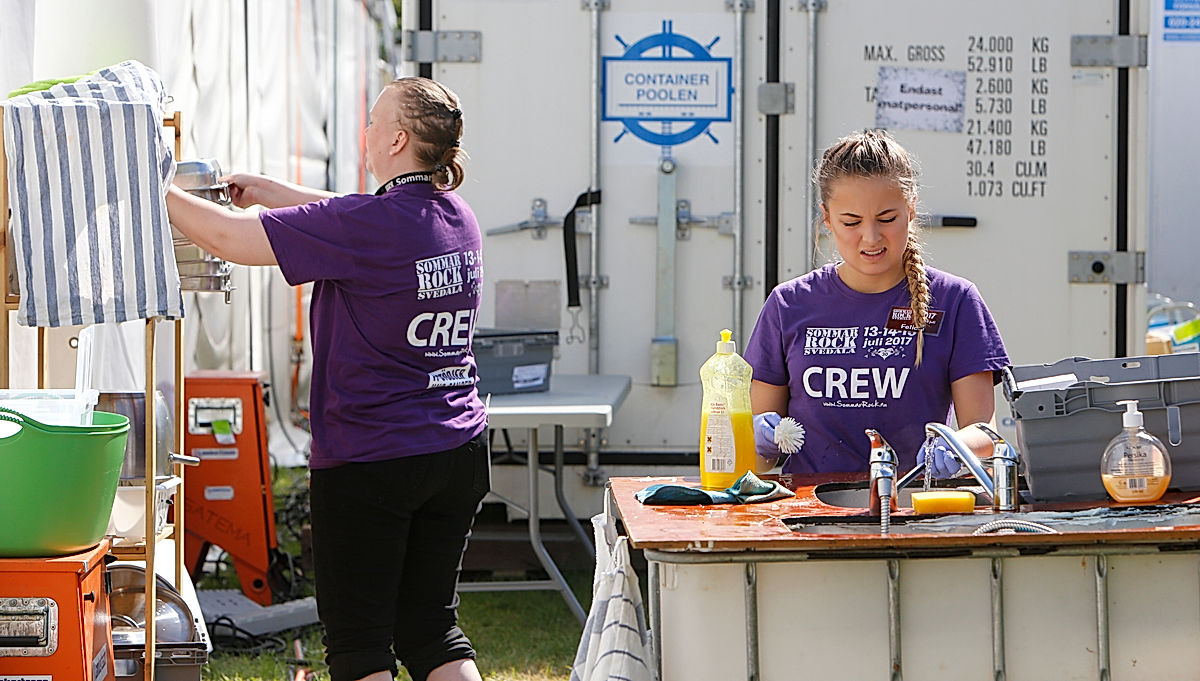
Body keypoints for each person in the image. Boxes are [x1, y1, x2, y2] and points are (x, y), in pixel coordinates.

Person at [166, 77, 488, 681]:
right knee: (431, 630)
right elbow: (356, 214)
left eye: (372, 119)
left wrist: (152, 188)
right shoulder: (454, 217)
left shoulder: (367, 229)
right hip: (457, 450)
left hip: (374, 462)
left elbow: (232, 239)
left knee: (361, 646)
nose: (363, 129)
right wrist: (269, 192)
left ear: (396, 138)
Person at [745, 129, 1009, 477]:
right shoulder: (788, 305)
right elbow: (757, 459)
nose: (870, 238)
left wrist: (959, 446)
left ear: (911, 208)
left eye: (887, 219)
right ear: (826, 218)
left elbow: (985, 432)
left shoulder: (955, 301)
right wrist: (756, 439)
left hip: (915, 509)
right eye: (851, 222)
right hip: (808, 515)